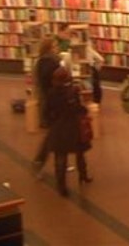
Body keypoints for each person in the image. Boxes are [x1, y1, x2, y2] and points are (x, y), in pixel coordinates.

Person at [44, 66, 91, 196]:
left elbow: (47, 111)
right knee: (80, 153)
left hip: (58, 128)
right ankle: (83, 175)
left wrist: (52, 122)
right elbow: (78, 108)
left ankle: (61, 185)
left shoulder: (51, 93)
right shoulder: (72, 91)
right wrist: (85, 111)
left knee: (60, 157)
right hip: (73, 127)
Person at [32, 35, 60, 172]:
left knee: (55, 133)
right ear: (49, 48)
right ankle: (40, 161)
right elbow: (52, 83)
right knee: (54, 133)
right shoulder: (51, 63)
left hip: (47, 102)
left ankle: (56, 162)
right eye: (55, 46)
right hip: (53, 103)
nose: (57, 48)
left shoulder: (40, 62)